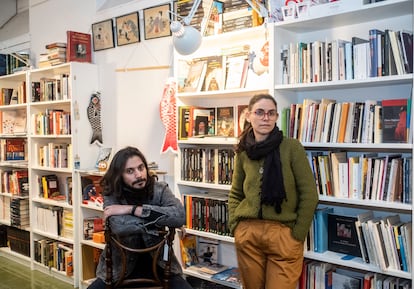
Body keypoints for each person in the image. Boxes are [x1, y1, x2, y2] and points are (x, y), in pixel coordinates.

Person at [228, 93, 319, 289]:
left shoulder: (291, 147)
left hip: (283, 234)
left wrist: (297, 235)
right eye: (259, 112)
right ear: (249, 115)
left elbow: (310, 194)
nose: (265, 118)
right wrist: (236, 226)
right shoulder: (243, 151)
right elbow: (236, 193)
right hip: (248, 233)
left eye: (271, 113)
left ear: (277, 117)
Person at [87, 146, 192, 289]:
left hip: (161, 265)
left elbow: (179, 216)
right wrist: (162, 220)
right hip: (119, 269)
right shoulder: (112, 193)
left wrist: (130, 209)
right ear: (120, 175)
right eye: (130, 171)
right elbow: (119, 226)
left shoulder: (160, 189)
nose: (138, 175)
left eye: (141, 168)